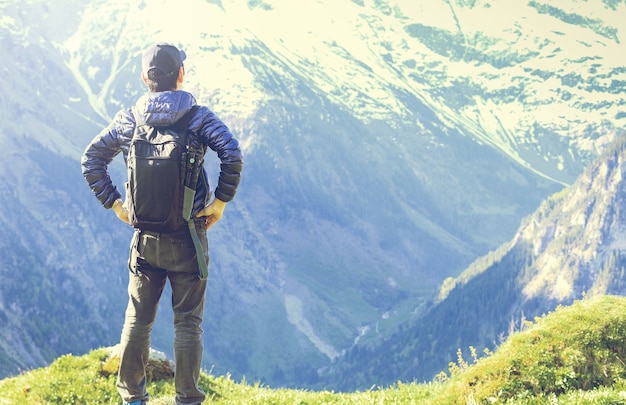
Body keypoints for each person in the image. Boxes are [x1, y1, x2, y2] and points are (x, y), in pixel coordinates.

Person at [81, 43, 243, 405]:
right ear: (181, 75)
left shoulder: (129, 119)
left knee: (138, 320)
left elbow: (92, 159)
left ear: (145, 78)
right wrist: (220, 201)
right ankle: (187, 399)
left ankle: (132, 397)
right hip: (189, 237)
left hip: (145, 241)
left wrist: (116, 204)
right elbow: (232, 152)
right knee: (188, 323)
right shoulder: (198, 117)